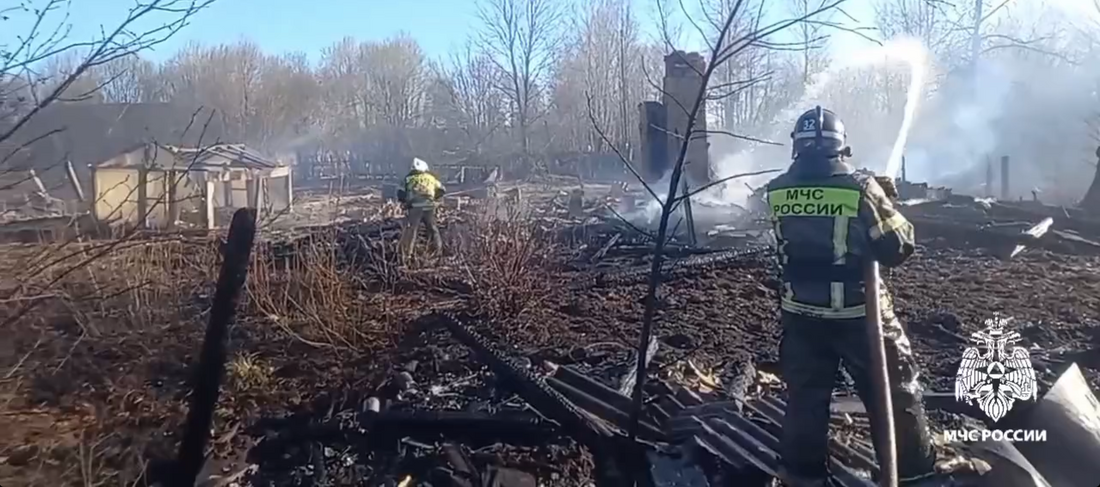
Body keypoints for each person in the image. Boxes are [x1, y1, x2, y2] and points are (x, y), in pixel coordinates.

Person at [764, 107, 938, 486]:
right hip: (861, 315)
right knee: (896, 391)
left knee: (805, 398)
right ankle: (915, 474)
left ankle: (802, 475)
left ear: (796, 146)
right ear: (841, 147)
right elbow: (898, 247)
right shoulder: (860, 189)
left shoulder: (776, 190)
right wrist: (882, 199)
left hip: (800, 313)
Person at [397, 157, 445, 258]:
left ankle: (407, 254)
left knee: (412, 230)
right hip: (429, 207)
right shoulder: (431, 178)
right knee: (432, 229)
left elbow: (400, 192)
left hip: (415, 208)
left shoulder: (408, 179)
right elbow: (442, 190)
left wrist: (405, 202)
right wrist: (435, 198)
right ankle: (437, 252)